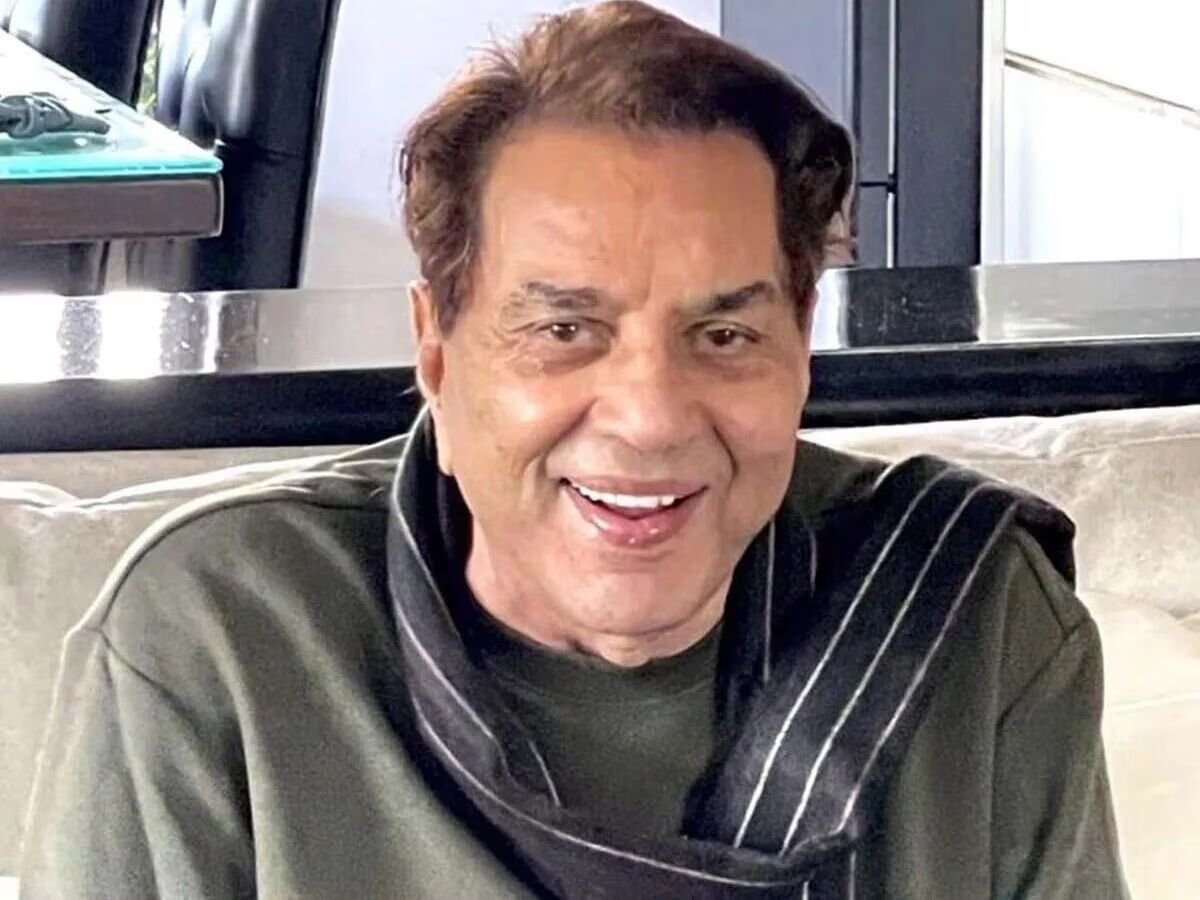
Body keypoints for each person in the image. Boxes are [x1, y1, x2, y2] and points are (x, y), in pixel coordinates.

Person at [21, 3, 1126, 897]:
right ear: (438, 353)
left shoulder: (974, 626)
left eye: (724, 335)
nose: (650, 417)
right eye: (563, 330)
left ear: (799, 352)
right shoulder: (219, 640)